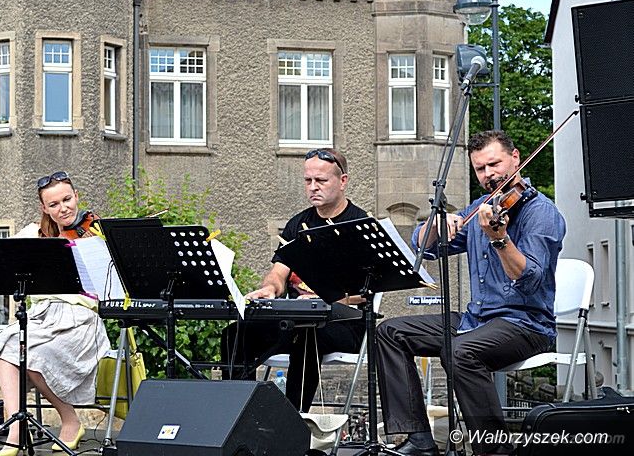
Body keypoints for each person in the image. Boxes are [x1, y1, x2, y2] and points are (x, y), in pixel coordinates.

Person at [376, 130, 566, 456]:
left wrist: (500, 239)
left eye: (494, 164)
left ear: (515, 158)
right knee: (390, 332)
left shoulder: (541, 213)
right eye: (480, 168)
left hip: (525, 324)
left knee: (460, 351)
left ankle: (495, 449)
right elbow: (423, 247)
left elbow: (530, 280)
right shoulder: (482, 207)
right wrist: (439, 223)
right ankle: (419, 439)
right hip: (476, 319)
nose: (488, 174)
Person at [221, 148, 367, 412]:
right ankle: (241, 414)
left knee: (306, 332)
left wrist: (326, 297)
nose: (313, 187)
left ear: (343, 181)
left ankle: (293, 418)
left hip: (344, 324)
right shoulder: (297, 224)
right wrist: (269, 288)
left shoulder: (360, 224)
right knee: (236, 334)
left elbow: (367, 290)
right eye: (308, 180)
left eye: (321, 180)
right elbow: (279, 272)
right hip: (296, 319)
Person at [0, 171, 110, 456]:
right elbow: (1, 259)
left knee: (32, 352)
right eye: (54, 204)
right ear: (44, 208)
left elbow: (109, 286)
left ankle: (70, 421)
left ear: (76, 196)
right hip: (41, 317)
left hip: (80, 322)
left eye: (67, 200)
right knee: (8, 345)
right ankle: (16, 431)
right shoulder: (34, 234)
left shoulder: (96, 234)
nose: (63, 208)